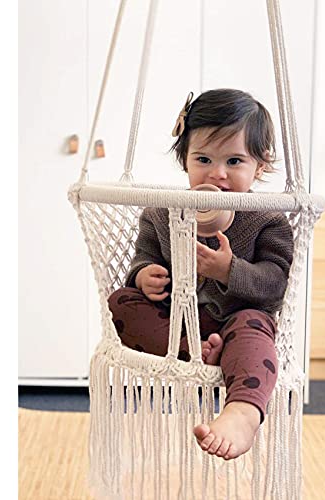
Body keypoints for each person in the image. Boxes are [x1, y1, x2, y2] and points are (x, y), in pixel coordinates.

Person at [108, 88, 294, 461]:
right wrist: (144, 276)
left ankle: (242, 411)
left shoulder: (268, 218)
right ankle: (195, 352)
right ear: (185, 160)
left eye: (235, 161)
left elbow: (276, 284)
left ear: (260, 166)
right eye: (203, 159)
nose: (217, 173)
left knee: (256, 330)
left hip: (238, 320)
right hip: (176, 323)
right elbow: (143, 258)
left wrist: (229, 270)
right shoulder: (161, 212)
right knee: (121, 303)